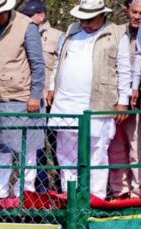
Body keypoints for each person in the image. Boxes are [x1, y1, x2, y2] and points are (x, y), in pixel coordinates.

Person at [48, 0, 129, 199]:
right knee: (66, 152)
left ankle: (96, 198)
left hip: (98, 102)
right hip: (65, 102)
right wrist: (51, 87)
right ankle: (70, 196)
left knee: (97, 152)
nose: (84, 23)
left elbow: (124, 69)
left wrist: (123, 100)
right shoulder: (71, 30)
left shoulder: (117, 33)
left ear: (102, 15)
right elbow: (60, 61)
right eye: (81, 19)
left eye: (89, 19)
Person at [0, 0, 46, 199]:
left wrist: (35, 96)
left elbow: (38, 65)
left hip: (22, 99)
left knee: (27, 149)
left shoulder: (26, 27)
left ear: (6, 11)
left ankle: (25, 193)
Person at [21, 0, 66, 192]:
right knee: (35, 147)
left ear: (41, 15)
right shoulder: (21, 34)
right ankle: (40, 191)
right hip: (33, 100)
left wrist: (54, 90)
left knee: (59, 147)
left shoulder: (58, 36)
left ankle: (62, 188)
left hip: (53, 101)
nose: (27, 20)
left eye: (30, 16)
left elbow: (62, 65)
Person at [110, 0, 141, 199]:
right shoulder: (116, 33)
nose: (138, 16)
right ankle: (118, 191)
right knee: (115, 147)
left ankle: (137, 192)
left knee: (136, 147)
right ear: (127, 11)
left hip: (135, 101)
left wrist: (134, 88)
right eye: (135, 11)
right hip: (113, 98)